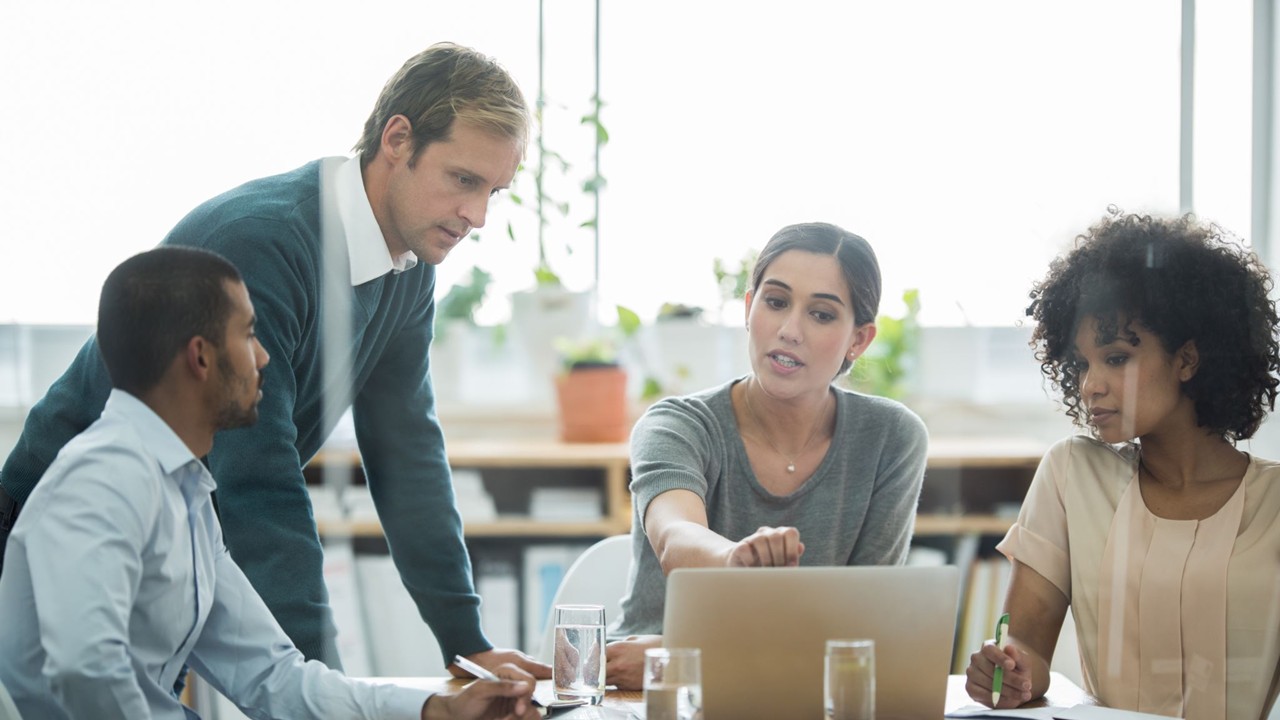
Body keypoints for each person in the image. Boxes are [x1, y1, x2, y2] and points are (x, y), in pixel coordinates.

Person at [0, 41, 547, 679]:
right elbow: (258, 483)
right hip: (61, 543)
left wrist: (467, 645)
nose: (476, 216)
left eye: (494, 192)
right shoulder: (264, 244)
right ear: (397, 139)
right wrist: (322, 687)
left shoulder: (408, 269)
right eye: (463, 180)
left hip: (166, 546)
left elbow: (408, 456)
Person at [0, 247, 540, 720]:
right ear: (201, 356)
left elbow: (274, 678)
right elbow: (85, 669)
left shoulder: (183, 491)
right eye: (249, 334)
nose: (264, 357)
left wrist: (432, 709)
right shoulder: (101, 481)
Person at [964, 211, 1280, 720]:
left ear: (1187, 359)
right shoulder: (1071, 475)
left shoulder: (1274, 503)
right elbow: (1027, 643)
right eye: (1082, 363)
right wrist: (1012, 673)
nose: (1090, 384)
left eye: (1115, 358)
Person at [603, 222, 929, 690]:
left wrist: (698, 657)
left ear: (859, 340)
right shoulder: (676, 425)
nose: (789, 330)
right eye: (775, 303)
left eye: (821, 314)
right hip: (650, 686)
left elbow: (863, 628)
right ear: (749, 307)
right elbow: (676, 539)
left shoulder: (892, 438)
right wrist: (735, 561)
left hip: (791, 687)